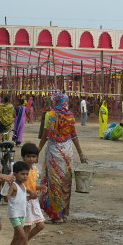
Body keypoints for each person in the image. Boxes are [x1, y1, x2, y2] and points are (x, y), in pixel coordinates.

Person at [37, 92, 87, 223]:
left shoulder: (52, 115)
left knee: (54, 183)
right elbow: (74, 135)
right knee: (65, 181)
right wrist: (81, 153)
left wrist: (37, 151)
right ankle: (64, 213)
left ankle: (56, 215)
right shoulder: (70, 115)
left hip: (55, 151)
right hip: (67, 151)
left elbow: (46, 134)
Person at [19, 143, 46, 245]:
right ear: (23, 157)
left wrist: (39, 187)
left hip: (33, 200)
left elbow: (32, 184)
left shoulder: (35, 170)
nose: (31, 159)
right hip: (25, 200)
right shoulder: (21, 170)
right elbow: (20, 185)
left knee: (40, 225)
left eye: (33, 156)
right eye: (28, 156)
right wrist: (30, 191)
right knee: (27, 228)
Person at [2, 161, 31, 245]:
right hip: (14, 214)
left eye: (26, 174)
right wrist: (6, 194)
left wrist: (30, 197)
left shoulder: (23, 186)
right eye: (22, 174)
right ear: (15, 174)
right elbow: (6, 197)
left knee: (16, 237)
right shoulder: (14, 186)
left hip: (21, 214)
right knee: (22, 236)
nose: (25, 176)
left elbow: (20, 199)